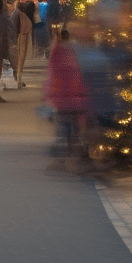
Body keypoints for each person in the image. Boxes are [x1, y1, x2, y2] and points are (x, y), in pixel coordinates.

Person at [44, 28, 90, 164]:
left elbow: (52, 77)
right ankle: (72, 153)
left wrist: (48, 97)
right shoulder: (76, 53)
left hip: (61, 98)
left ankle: (64, 155)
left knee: (64, 126)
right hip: (75, 98)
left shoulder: (56, 53)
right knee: (72, 127)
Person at [7, 0, 32, 88]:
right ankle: (18, 80)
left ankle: (18, 79)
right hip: (17, 38)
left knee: (18, 60)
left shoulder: (17, 12)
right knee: (19, 60)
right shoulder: (18, 13)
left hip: (16, 38)